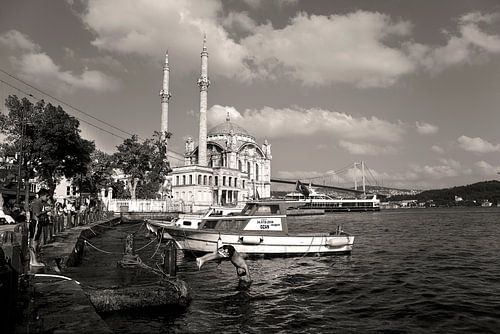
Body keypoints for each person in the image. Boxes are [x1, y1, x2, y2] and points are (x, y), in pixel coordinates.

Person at [29, 188, 50, 267]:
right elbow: (37, 214)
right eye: (47, 196)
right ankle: (33, 260)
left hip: (36, 222)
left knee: (34, 240)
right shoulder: (37, 202)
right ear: (43, 195)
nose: (47, 198)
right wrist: (46, 211)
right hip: (36, 222)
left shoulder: (38, 202)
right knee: (34, 241)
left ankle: (33, 259)